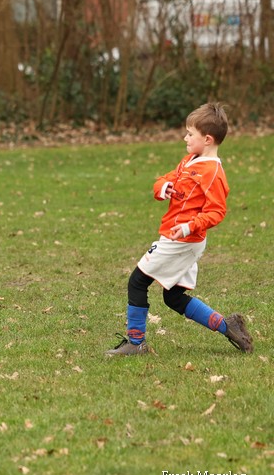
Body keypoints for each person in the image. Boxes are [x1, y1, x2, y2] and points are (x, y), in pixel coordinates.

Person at [106, 102, 252, 356]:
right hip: (177, 237)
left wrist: (188, 227)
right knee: (173, 297)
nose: (185, 137)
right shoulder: (190, 160)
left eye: (190, 134)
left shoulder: (213, 172)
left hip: (182, 241)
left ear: (207, 139)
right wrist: (163, 188)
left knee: (137, 282)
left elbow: (217, 211)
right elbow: (166, 178)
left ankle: (136, 343)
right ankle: (228, 325)